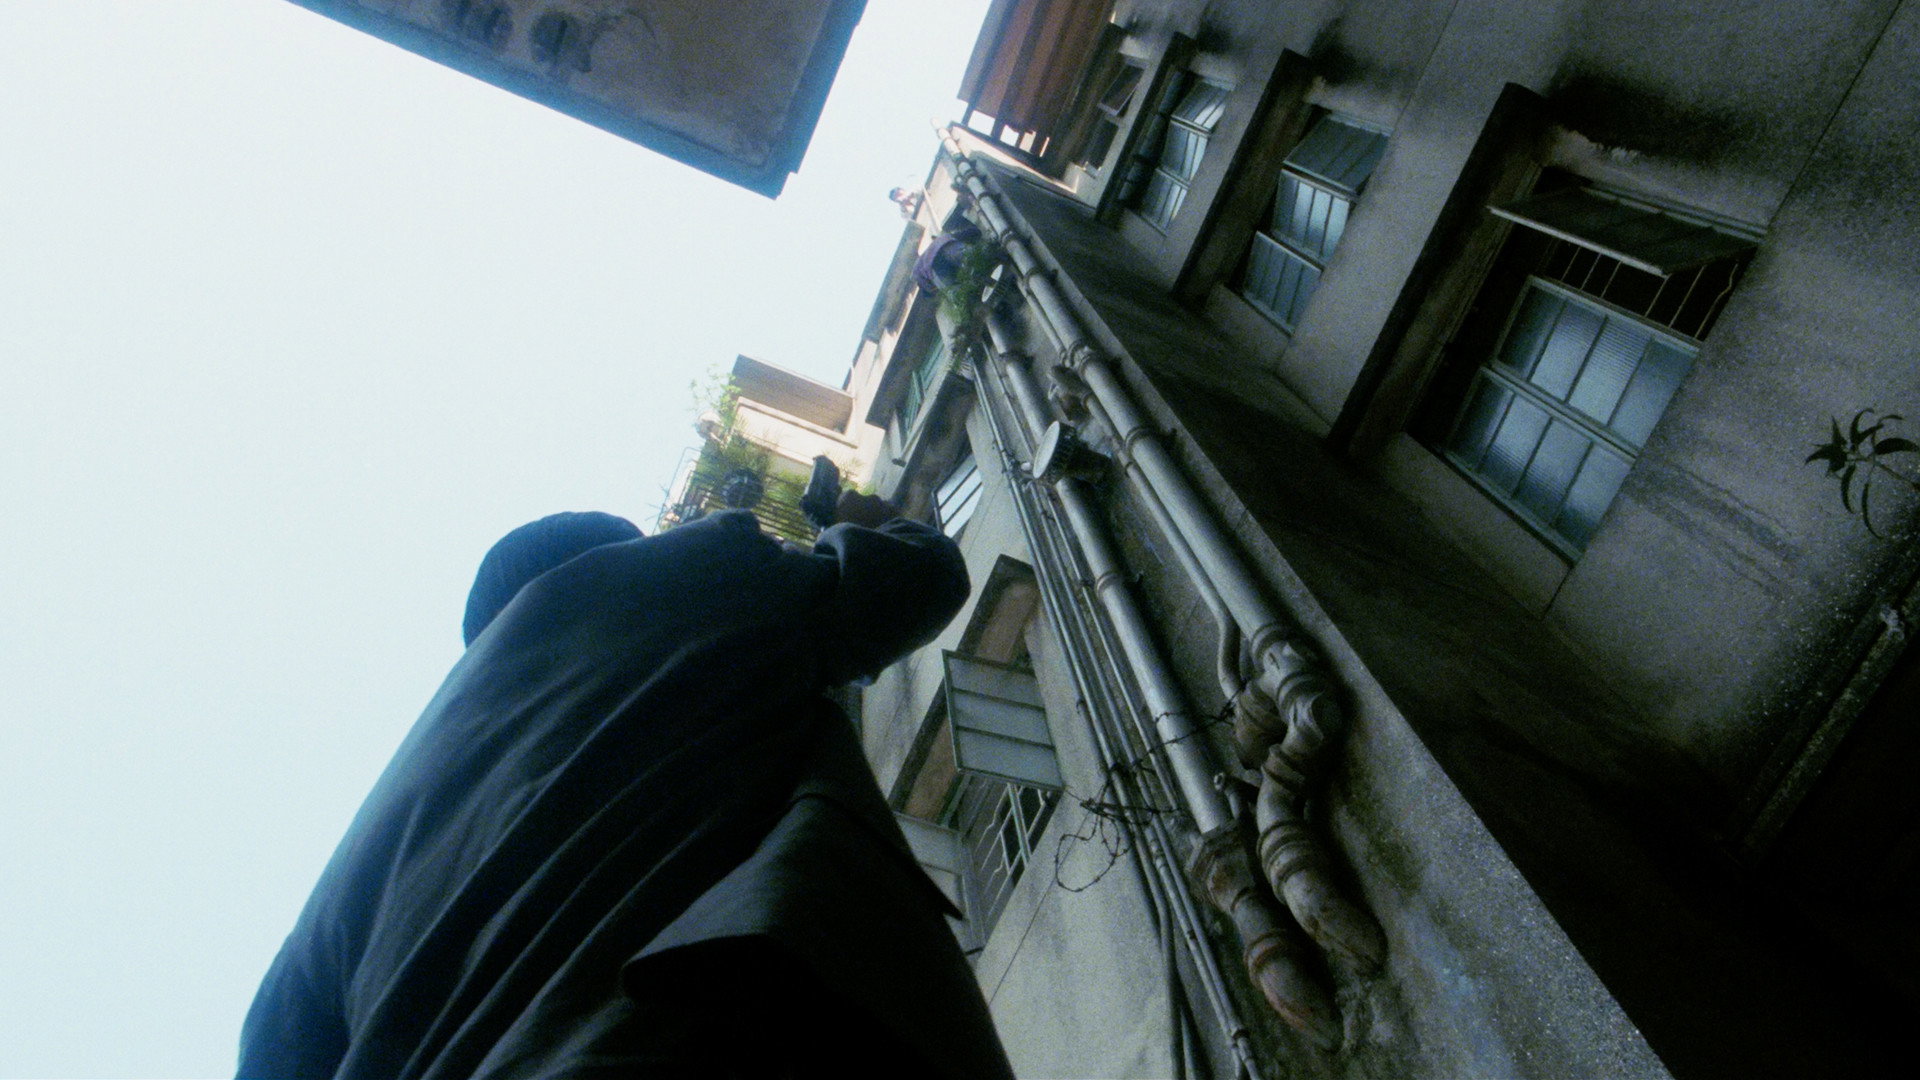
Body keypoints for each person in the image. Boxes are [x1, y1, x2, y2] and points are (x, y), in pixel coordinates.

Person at [238, 496, 1014, 1079]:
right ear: (611, 556)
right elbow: (914, 580)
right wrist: (871, 522)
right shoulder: (671, 577)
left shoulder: (347, 873)